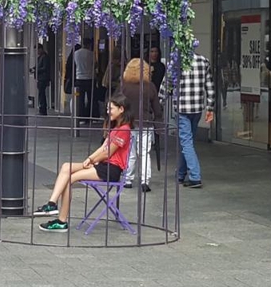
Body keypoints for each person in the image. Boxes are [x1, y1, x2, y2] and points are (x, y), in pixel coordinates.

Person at [33, 94, 133, 232]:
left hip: (111, 169)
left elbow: (107, 152)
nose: (108, 111)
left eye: (111, 108)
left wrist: (92, 160)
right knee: (66, 167)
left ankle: (61, 221)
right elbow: (103, 148)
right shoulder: (116, 128)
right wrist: (90, 159)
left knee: (70, 178)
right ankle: (51, 203)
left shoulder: (124, 130)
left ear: (121, 109)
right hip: (103, 165)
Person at [161, 51, 215, 189]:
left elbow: (166, 86)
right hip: (197, 108)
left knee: (186, 142)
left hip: (182, 108)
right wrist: (210, 107)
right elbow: (210, 86)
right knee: (188, 142)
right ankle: (180, 173)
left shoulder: (175, 63)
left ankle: (195, 177)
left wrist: (159, 103)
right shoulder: (204, 60)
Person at [120, 59, 163, 192]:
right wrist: (158, 124)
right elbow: (157, 109)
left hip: (129, 123)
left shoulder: (124, 87)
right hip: (145, 123)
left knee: (130, 152)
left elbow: (116, 104)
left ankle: (128, 179)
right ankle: (144, 181)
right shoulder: (150, 87)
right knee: (144, 153)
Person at [74, 38, 98, 122]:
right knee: (92, 98)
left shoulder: (76, 53)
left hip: (79, 78)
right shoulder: (91, 54)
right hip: (90, 78)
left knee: (80, 99)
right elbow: (95, 65)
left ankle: (81, 118)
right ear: (89, 44)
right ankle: (93, 116)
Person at [35, 44, 50, 116]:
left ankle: (43, 110)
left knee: (42, 94)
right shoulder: (40, 57)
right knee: (41, 94)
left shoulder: (44, 57)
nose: (37, 52)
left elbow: (44, 67)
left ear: (40, 49)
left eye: (37, 50)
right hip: (40, 77)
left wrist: (36, 70)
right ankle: (42, 109)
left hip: (43, 78)